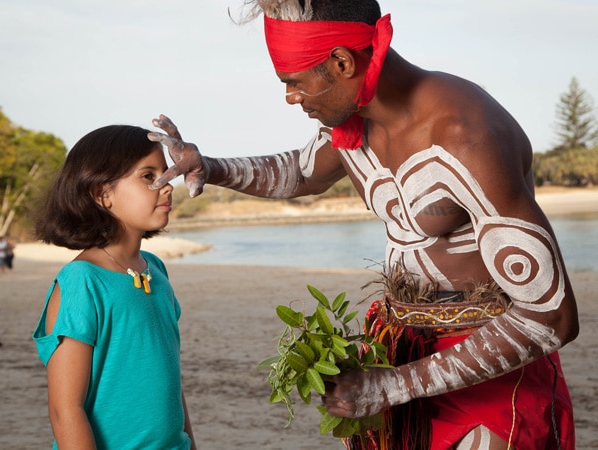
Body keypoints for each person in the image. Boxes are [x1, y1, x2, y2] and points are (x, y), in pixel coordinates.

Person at [147, 1, 578, 448]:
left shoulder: (465, 135)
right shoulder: (351, 123)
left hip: (483, 363)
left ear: (341, 62)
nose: (291, 98)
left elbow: (551, 315)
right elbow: (302, 172)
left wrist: (392, 386)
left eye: (295, 83)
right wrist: (211, 167)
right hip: (397, 351)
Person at [32, 125, 196, 449]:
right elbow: (65, 410)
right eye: (148, 176)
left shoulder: (156, 269)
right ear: (102, 194)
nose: (166, 186)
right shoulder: (82, 282)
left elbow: (172, 387)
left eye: (166, 174)